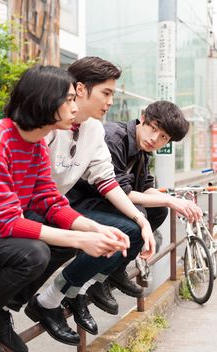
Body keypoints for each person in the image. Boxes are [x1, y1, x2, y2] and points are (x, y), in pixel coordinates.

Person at [0, 65, 130, 352]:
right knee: (35, 252)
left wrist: (95, 228)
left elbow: (50, 201)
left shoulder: (35, 146)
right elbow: (6, 222)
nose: (76, 107)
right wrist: (81, 240)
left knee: (52, 240)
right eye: (70, 99)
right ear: (45, 100)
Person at [31, 56, 155, 328]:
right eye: (106, 93)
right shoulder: (49, 126)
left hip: (57, 207)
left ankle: (65, 294)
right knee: (50, 247)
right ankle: (10, 307)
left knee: (128, 230)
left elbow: (107, 180)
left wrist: (141, 219)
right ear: (80, 89)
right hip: (33, 207)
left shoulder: (94, 130)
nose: (110, 102)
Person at [72, 99, 203, 293]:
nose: (155, 139)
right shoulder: (114, 138)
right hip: (80, 202)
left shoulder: (142, 151)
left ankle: (112, 272)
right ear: (143, 118)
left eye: (164, 137)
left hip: (101, 202)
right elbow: (117, 191)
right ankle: (89, 283)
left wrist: (174, 202)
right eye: (153, 128)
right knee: (136, 222)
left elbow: (145, 189)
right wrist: (168, 199)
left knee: (158, 211)